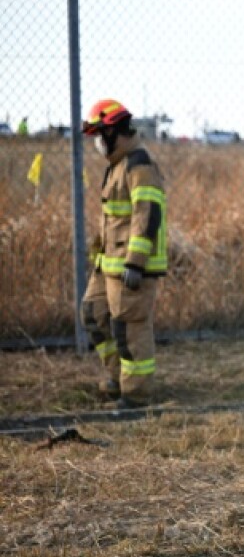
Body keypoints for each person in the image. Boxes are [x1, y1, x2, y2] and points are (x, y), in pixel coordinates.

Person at [81, 99, 168, 408]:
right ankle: (118, 377)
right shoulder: (118, 166)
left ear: (114, 132)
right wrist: (97, 256)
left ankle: (136, 396)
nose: (97, 143)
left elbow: (147, 214)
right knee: (94, 314)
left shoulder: (138, 164)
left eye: (99, 135)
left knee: (130, 328)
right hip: (109, 266)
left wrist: (136, 262)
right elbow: (114, 221)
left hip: (132, 269)